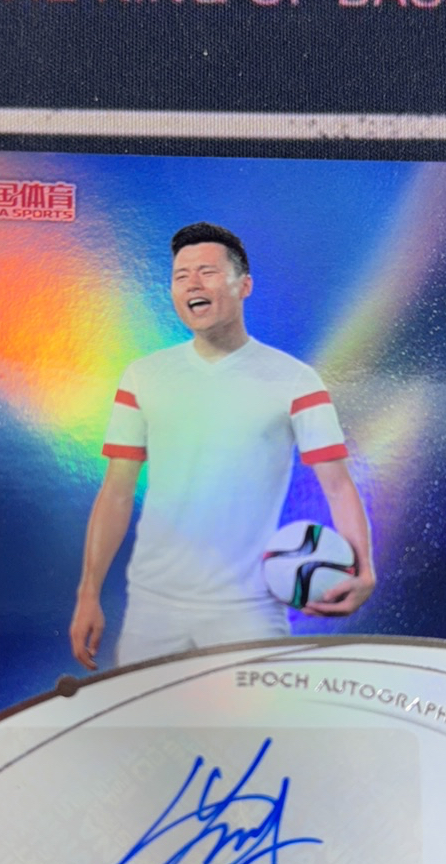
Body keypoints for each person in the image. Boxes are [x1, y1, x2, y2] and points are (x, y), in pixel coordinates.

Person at [69, 222, 375, 670]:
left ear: (244, 285)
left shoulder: (295, 380)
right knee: (148, 718)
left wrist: (364, 569)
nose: (192, 284)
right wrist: (88, 593)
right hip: (153, 607)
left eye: (207, 272)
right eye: (181, 276)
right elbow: (116, 491)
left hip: (251, 610)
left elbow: (337, 485)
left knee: (256, 719)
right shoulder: (143, 376)